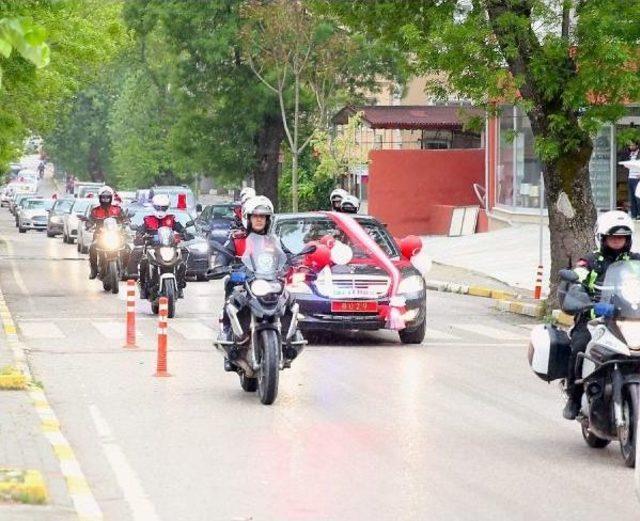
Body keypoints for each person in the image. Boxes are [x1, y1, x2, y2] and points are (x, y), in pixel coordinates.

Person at [563, 210, 640, 420]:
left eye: (622, 238)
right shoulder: (590, 261)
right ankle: (574, 395)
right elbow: (576, 279)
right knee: (580, 345)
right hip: (594, 319)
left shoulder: (636, 261)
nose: (618, 241)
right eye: (613, 238)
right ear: (603, 238)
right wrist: (585, 300)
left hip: (629, 317)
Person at [218, 196, 274, 349]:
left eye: (263, 216)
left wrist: (296, 262)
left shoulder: (273, 240)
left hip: (269, 284)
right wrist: (221, 264)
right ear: (247, 218)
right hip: (244, 283)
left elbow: (286, 256)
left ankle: (292, 334)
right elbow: (223, 256)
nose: (259, 220)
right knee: (231, 295)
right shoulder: (237, 239)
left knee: (289, 299)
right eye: (255, 216)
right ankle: (227, 332)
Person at [135, 194, 189, 298]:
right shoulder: (148, 219)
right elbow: (141, 230)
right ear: (154, 206)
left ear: (167, 207)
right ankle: (143, 285)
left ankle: (180, 285)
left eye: (163, 207)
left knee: (181, 262)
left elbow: (180, 228)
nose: (160, 210)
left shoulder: (171, 219)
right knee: (144, 261)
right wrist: (139, 236)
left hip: (169, 247)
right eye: (158, 207)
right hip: (153, 248)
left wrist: (185, 233)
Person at [88, 186, 126, 280]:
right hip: (100, 236)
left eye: (107, 197)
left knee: (127, 248)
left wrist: (126, 222)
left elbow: (124, 218)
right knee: (92, 247)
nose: (105, 200)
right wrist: (88, 224)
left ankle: (124, 269)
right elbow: (90, 220)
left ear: (111, 198)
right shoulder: (95, 210)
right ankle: (94, 269)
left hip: (115, 235)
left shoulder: (117, 209)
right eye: (103, 197)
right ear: (100, 198)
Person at [626, 141, 640, 219]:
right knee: (632, 198)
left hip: (637, 178)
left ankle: (639, 214)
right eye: (630, 145)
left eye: (632, 145)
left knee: (638, 197)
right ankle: (634, 215)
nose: (630, 147)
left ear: (637, 145)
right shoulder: (630, 154)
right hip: (630, 177)